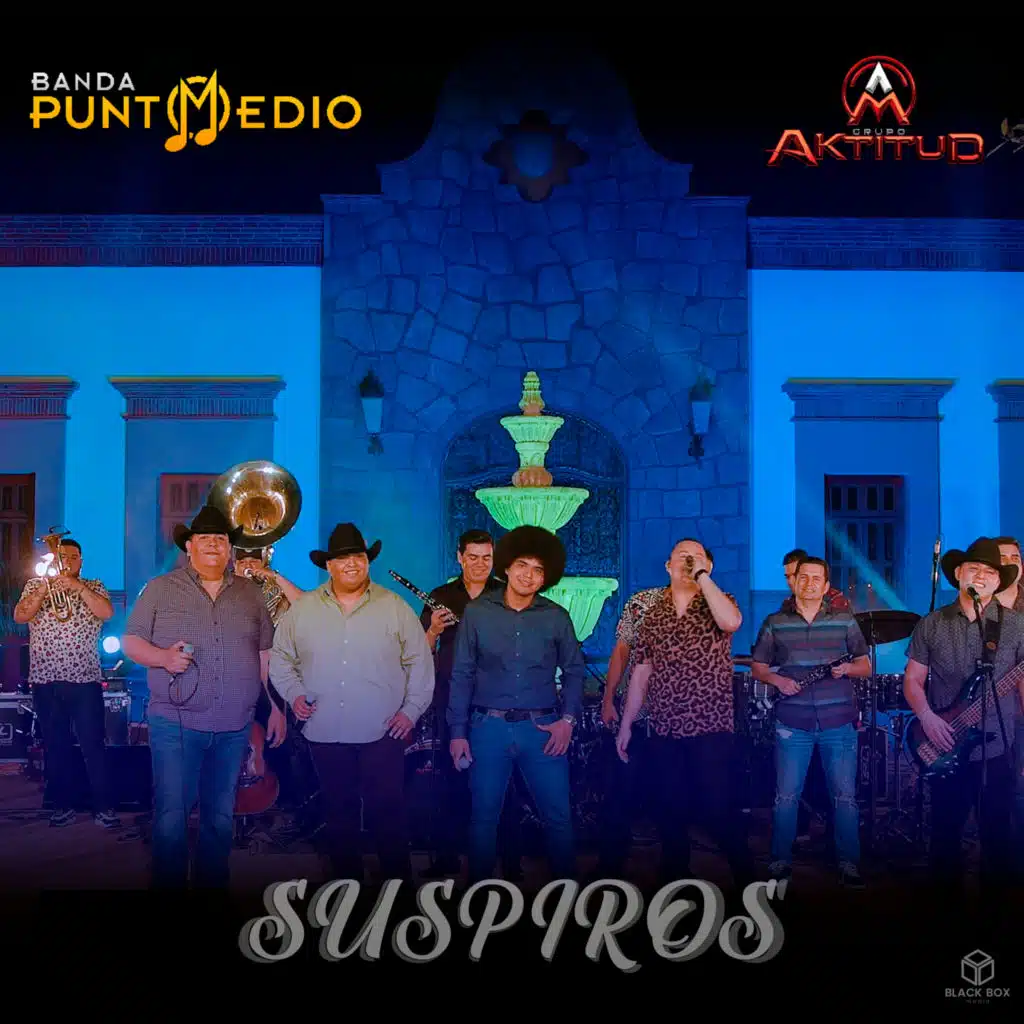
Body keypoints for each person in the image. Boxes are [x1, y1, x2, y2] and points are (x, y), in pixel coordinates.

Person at [122, 505, 285, 888]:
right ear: (190, 546)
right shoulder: (161, 588)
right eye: (205, 538)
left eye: (221, 539)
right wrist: (163, 658)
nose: (214, 544)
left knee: (220, 817)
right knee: (171, 817)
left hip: (234, 725)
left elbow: (264, 654)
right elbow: (130, 641)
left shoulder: (250, 594)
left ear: (230, 549)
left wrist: (276, 707)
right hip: (176, 724)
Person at [270, 522, 434, 883]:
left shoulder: (394, 606)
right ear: (329, 565)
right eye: (343, 558)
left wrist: (410, 712)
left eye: (358, 556)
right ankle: (347, 890)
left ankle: (397, 889)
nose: (351, 564)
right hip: (324, 730)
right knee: (338, 814)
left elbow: (420, 663)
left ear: (367, 561)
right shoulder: (303, 610)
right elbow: (281, 659)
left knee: (388, 813)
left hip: (384, 732)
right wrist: (294, 694)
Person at [448, 525, 585, 883]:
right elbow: (462, 674)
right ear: (507, 566)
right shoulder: (477, 613)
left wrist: (568, 721)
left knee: (558, 817)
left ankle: (568, 897)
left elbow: (574, 671)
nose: (528, 575)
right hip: (487, 729)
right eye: (522, 565)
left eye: (538, 569)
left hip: (543, 731)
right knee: (483, 818)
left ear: (546, 577)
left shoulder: (556, 616)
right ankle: (477, 899)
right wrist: (458, 732)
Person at [616, 539, 756, 890]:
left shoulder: (719, 602)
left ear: (708, 565)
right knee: (669, 808)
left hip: (710, 726)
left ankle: (748, 880)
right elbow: (641, 672)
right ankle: (675, 879)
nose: (689, 561)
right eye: (682, 556)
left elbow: (732, 622)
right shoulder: (653, 615)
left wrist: (703, 576)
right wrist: (627, 724)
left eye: (697, 557)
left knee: (718, 808)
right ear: (668, 565)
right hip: (665, 727)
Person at [903, 536, 1024, 912]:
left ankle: (997, 915)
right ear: (958, 573)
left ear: (999, 581)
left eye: (990, 572)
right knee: (945, 833)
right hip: (943, 743)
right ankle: (946, 912)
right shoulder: (932, 624)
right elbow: (912, 680)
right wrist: (927, 718)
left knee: (998, 834)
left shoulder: (1016, 626)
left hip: (998, 746)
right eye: (974, 569)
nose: (982, 576)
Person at [751, 556, 872, 888]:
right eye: (803, 577)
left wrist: (846, 669)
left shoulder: (845, 621)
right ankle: (780, 861)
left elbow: (865, 666)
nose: (809, 583)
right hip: (793, 721)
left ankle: (848, 863)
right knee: (786, 796)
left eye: (817, 578)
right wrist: (779, 681)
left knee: (844, 796)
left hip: (839, 720)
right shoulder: (775, 622)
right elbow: (758, 667)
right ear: (794, 581)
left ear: (826, 585)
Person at [418, 529, 517, 879]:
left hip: (497, 703)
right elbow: (421, 652)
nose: (479, 564)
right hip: (452, 703)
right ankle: (448, 859)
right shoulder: (440, 597)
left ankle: (511, 863)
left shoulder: (506, 594)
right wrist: (433, 630)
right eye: (472, 557)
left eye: (486, 558)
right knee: (452, 781)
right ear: (459, 557)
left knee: (505, 781)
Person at [14, 537, 120, 829]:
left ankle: (104, 808)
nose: (67, 561)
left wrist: (77, 587)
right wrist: (43, 589)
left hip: (84, 680)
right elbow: (20, 616)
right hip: (45, 680)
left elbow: (106, 612)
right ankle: (62, 807)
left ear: (81, 561)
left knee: (93, 745)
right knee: (55, 746)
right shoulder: (35, 585)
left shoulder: (94, 586)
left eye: (73, 557)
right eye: (62, 556)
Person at [781, 549, 847, 849]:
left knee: (832, 774)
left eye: (795, 575)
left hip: (830, 702)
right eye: (788, 577)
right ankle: (799, 831)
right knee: (799, 775)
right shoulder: (786, 608)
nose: (792, 582)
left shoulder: (836, 603)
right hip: (798, 704)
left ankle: (835, 838)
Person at [594, 585, 661, 877]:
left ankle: (677, 869)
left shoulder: (712, 602)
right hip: (636, 716)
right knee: (619, 789)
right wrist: (609, 698)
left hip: (682, 720)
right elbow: (622, 649)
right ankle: (609, 865)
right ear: (668, 565)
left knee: (677, 795)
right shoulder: (642, 602)